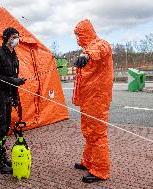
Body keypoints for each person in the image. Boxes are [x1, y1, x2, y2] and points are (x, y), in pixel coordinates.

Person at [72, 19, 114, 183]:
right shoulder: (87, 50)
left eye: (78, 35)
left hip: (97, 99)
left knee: (97, 134)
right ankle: (89, 162)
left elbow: (101, 49)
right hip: (88, 98)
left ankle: (100, 170)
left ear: (85, 33)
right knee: (89, 132)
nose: (77, 39)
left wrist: (87, 54)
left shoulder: (99, 44)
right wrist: (85, 54)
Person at [0, 27, 26, 174]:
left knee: (4, 129)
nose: (16, 39)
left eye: (18, 36)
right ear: (6, 38)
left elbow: (14, 78)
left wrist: (15, 97)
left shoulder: (14, 56)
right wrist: (13, 81)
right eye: (14, 36)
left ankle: (2, 158)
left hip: (8, 97)